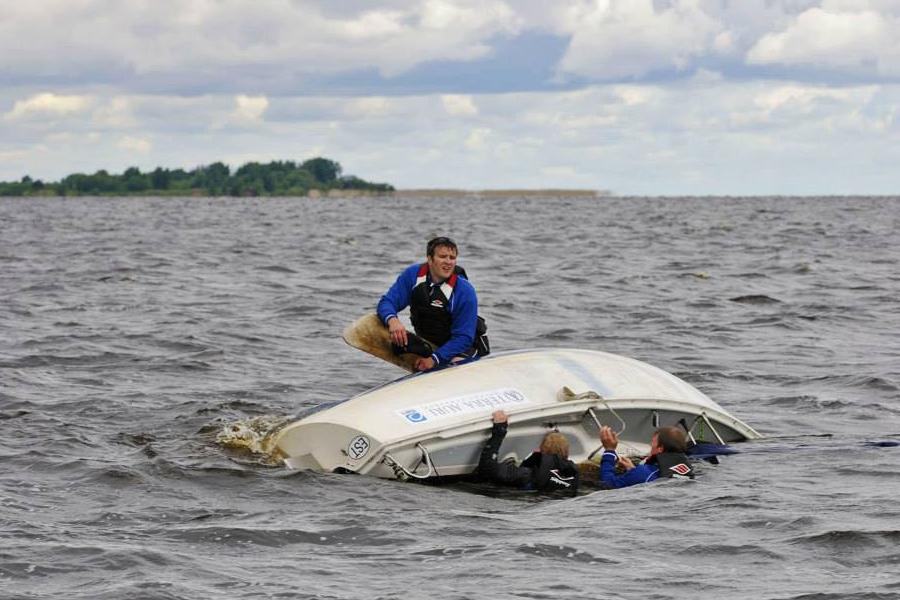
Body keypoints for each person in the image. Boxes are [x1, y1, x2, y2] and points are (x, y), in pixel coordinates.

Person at [377, 237, 481, 371]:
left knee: (455, 362)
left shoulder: (465, 291)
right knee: (387, 325)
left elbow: (464, 338)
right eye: (442, 257)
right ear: (430, 259)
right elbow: (387, 302)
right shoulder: (413, 275)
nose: (448, 262)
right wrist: (393, 320)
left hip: (462, 348)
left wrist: (434, 360)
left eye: (452, 258)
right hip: (429, 344)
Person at [476, 410, 580, 495]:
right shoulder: (572, 476)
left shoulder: (527, 475)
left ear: (541, 451)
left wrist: (500, 429)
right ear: (567, 453)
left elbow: (487, 468)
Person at [597, 425, 695, 489]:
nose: (650, 445)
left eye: (652, 442)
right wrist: (632, 470)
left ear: (660, 448)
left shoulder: (644, 473)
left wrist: (609, 450)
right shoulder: (687, 469)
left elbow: (608, 483)